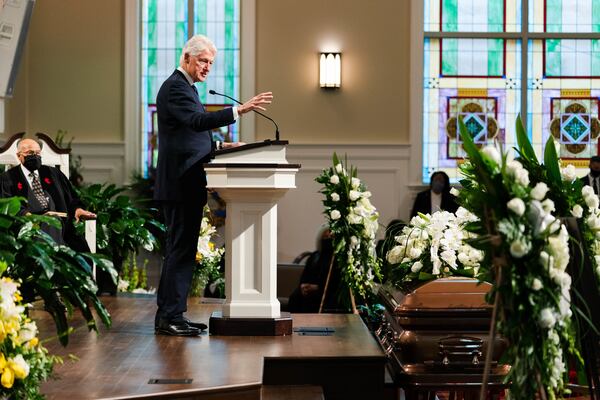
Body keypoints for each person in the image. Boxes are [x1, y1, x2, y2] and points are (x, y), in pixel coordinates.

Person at [153, 34, 273, 336]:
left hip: (186, 182)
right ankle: (169, 316)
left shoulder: (186, 88)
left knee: (181, 250)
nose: (207, 67)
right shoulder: (176, 87)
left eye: (211, 62)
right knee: (179, 251)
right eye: (203, 60)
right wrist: (239, 111)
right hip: (180, 183)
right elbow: (195, 122)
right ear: (186, 58)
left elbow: (190, 137)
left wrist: (224, 146)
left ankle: (173, 315)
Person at [0, 138, 96, 252]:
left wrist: (77, 210)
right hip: (28, 229)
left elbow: (71, 198)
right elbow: (7, 204)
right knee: (50, 222)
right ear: (19, 156)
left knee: (78, 248)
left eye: (37, 153)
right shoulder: (8, 178)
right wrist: (30, 216)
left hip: (62, 229)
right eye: (30, 153)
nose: (35, 156)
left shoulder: (53, 173)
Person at [288, 227, 342, 313]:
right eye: (325, 237)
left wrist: (318, 287)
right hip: (309, 289)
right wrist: (303, 286)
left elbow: (335, 282)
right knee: (295, 296)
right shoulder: (314, 256)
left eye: (331, 237)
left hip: (326, 292)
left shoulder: (337, 259)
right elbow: (305, 276)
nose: (328, 240)